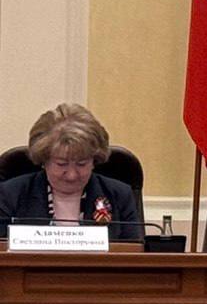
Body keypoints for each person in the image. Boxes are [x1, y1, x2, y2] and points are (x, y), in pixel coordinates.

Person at [0, 103, 141, 240]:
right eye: (61, 164)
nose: (72, 175)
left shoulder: (119, 196)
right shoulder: (10, 195)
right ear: (44, 160)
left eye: (81, 164)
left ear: (95, 160)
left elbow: (134, 256)